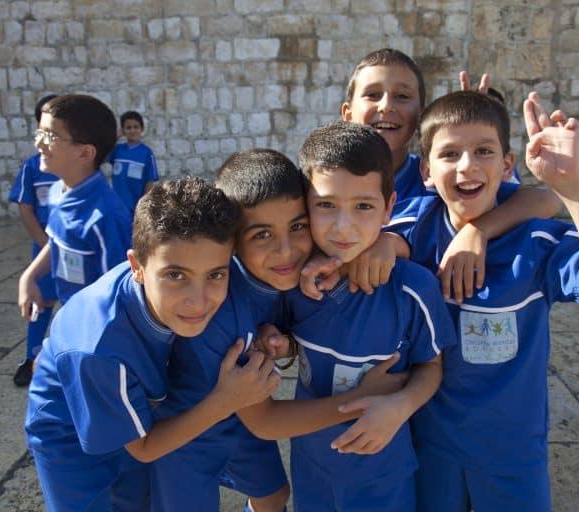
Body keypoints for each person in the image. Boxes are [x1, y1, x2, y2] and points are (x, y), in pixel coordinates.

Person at [386, 90, 579, 511]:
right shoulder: (415, 226)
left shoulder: (535, 243)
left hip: (511, 452)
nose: (467, 165)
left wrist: (574, 188)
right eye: (450, 154)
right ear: (427, 171)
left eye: (483, 151)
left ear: (507, 165)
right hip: (429, 448)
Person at [150, 149, 407, 512]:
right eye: (262, 235)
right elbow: (266, 422)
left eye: (298, 227)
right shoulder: (220, 314)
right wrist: (361, 400)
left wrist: (385, 241)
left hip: (242, 417)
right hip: (190, 429)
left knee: (273, 497)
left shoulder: (303, 274)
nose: (285, 251)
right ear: (232, 241)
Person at [25, 177, 280, 511]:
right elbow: (144, 447)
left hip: (136, 413)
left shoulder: (181, 283)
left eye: (215, 275)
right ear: (137, 267)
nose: (198, 300)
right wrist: (226, 400)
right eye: (176, 276)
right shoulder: (102, 349)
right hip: (69, 433)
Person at [281, 122, 457, 512]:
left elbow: (432, 366)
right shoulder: (292, 281)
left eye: (363, 206)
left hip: (382, 474)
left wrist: (402, 404)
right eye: (326, 205)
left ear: (389, 207)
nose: (343, 227)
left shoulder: (413, 288)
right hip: (310, 465)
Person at [336, 48, 562, 302]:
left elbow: (546, 201)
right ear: (347, 113)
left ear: (420, 115)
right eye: (373, 95)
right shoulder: (328, 179)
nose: (386, 105)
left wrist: (478, 230)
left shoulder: (442, 178)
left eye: (402, 96)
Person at [17, 94, 132, 318]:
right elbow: (57, 241)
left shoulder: (105, 217)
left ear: (85, 153)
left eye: (50, 136)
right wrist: (29, 276)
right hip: (70, 313)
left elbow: (119, 293)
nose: (38, 143)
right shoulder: (57, 192)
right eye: (39, 133)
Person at [8, 93, 58, 386]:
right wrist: (45, 244)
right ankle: (31, 357)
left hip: (74, 253)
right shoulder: (33, 167)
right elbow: (25, 207)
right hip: (45, 249)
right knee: (41, 302)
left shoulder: (79, 167)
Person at [108, 110, 158, 216]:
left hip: (136, 207)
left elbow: (150, 182)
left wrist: (144, 205)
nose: (132, 130)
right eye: (128, 128)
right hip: (116, 206)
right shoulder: (117, 150)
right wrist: (115, 138)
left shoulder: (147, 153)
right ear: (123, 130)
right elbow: (101, 156)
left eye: (136, 127)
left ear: (142, 129)